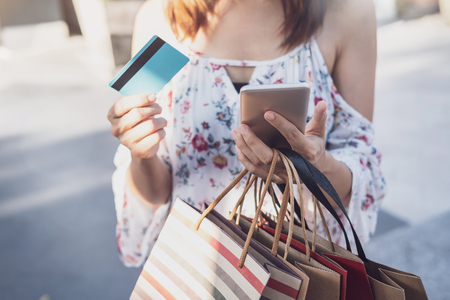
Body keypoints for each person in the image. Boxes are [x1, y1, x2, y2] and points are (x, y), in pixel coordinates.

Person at [107, 0, 386, 267]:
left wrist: (315, 168)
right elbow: (156, 195)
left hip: (305, 268)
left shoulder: (344, 10)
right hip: (199, 266)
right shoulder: (159, 17)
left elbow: (361, 168)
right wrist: (141, 153)